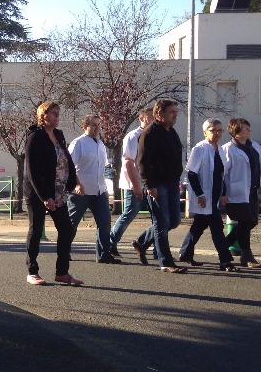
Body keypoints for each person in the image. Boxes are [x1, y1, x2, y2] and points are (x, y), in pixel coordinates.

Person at [23, 101, 83, 286]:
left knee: (66, 229)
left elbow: (66, 160)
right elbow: (32, 171)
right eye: (53, 113)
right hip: (38, 192)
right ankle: (32, 271)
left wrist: (74, 181)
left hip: (58, 191)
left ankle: (62, 272)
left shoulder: (58, 135)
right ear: (43, 116)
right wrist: (44, 197)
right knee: (36, 229)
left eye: (58, 112)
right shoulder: (35, 137)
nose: (57, 116)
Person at [133, 99, 187, 273]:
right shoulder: (149, 134)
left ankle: (141, 242)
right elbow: (142, 161)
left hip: (172, 183)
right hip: (157, 184)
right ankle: (166, 262)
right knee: (161, 223)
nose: (175, 115)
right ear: (159, 114)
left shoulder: (171, 132)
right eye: (171, 112)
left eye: (176, 112)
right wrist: (149, 184)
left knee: (174, 220)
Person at [178, 118, 237, 271]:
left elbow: (221, 174)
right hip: (204, 196)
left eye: (220, 130)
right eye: (213, 130)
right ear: (205, 132)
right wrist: (200, 195)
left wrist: (223, 193)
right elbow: (191, 174)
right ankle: (225, 260)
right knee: (217, 227)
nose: (217, 133)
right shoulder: (199, 149)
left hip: (215, 195)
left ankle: (185, 253)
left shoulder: (220, 150)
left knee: (199, 225)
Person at [67, 114, 120, 264]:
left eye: (99, 125)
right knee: (71, 224)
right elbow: (69, 167)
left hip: (99, 191)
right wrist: (77, 184)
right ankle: (63, 251)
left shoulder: (100, 144)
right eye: (94, 125)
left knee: (104, 222)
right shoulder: (78, 143)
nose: (97, 128)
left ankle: (104, 254)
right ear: (85, 127)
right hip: (81, 192)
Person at [222, 118, 261, 268]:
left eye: (249, 127)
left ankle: (224, 245)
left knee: (251, 221)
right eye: (245, 128)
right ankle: (246, 256)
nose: (249, 130)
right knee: (245, 221)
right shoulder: (228, 149)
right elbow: (222, 173)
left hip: (253, 190)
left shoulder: (254, 146)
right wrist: (223, 193)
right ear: (236, 131)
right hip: (237, 191)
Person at [109, 107, 154, 257]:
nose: (153, 120)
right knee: (129, 214)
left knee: (159, 218)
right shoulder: (133, 136)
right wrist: (135, 185)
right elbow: (128, 162)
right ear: (141, 119)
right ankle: (110, 243)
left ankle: (157, 249)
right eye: (150, 117)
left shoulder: (156, 135)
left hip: (151, 184)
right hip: (135, 184)